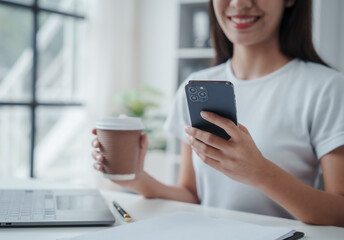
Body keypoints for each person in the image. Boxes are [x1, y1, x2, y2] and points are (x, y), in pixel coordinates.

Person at [91, 0, 344, 226]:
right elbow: (191, 194)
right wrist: (137, 179)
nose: (240, 3)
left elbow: (339, 212)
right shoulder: (195, 86)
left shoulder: (325, 88)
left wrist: (259, 172)